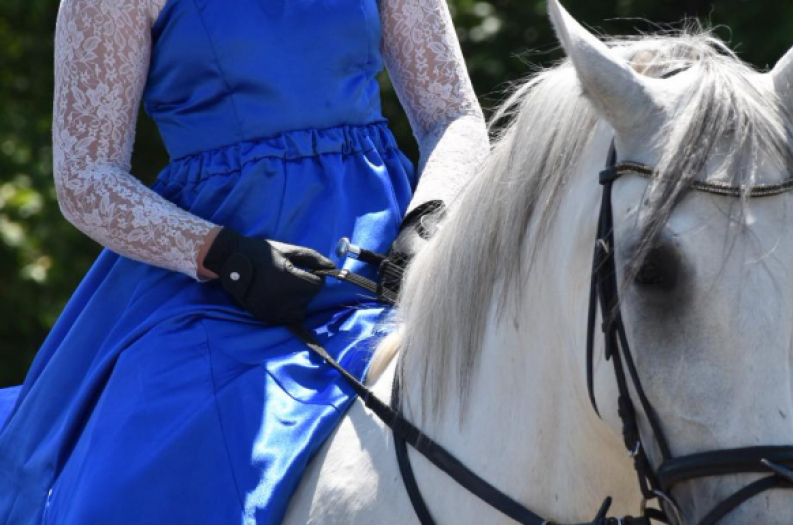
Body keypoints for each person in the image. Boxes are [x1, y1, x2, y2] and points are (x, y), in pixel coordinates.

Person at [0, 0, 489, 522]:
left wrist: (430, 219)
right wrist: (224, 255)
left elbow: (453, 114)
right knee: (150, 467)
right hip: (209, 287)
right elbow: (87, 176)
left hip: (384, 269)